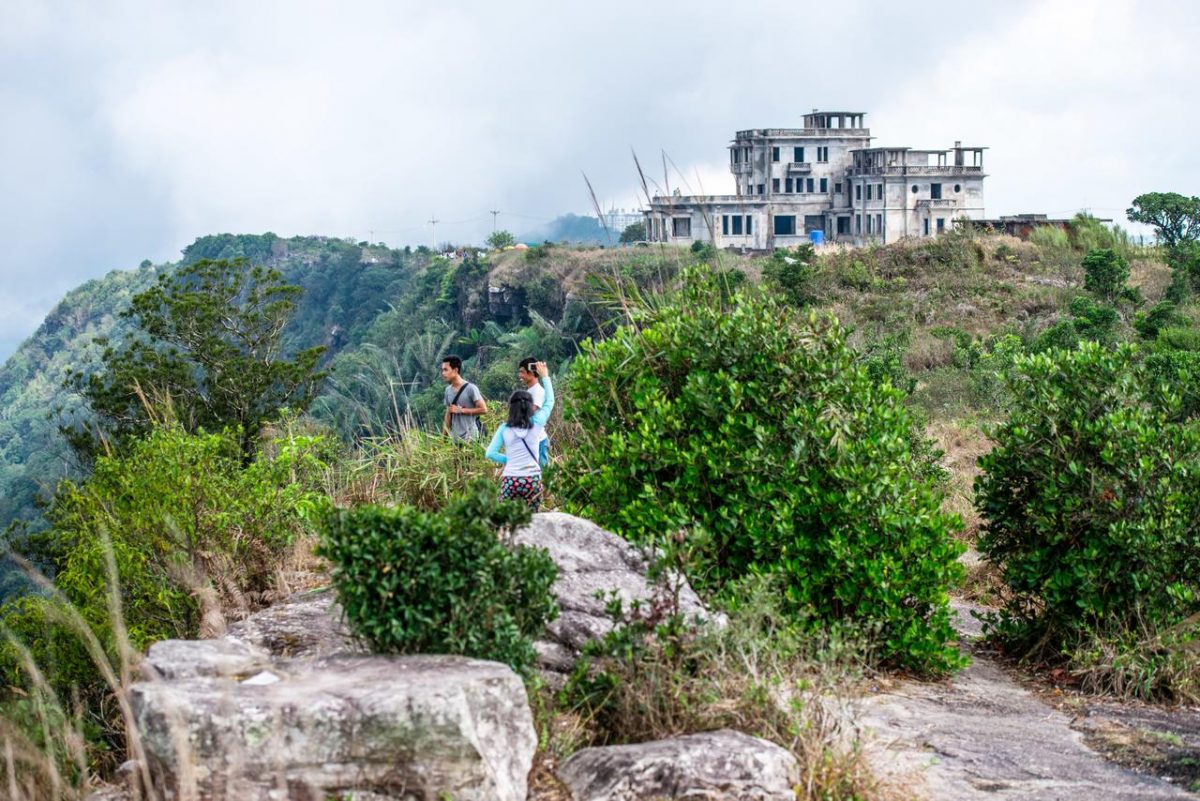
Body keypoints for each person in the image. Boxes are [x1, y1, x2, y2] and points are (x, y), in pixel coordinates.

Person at [486, 361, 553, 510]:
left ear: (511, 407)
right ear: (531, 407)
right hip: (533, 480)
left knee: (507, 520)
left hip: (511, 479)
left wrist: (510, 459)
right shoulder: (537, 424)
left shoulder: (504, 429)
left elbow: (490, 453)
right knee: (533, 519)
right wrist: (546, 377)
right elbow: (550, 402)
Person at [441, 355, 488, 442]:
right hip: (455, 439)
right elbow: (448, 414)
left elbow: (483, 409)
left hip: (471, 438)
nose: (443, 373)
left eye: (446, 370)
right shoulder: (448, 390)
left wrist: (461, 410)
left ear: (455, 370)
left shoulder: (471, 388)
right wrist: (444, 437)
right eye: (442, 370)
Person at [517, 356, 550, 465]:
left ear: (531, 373)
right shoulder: (530, 391)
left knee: (542, 474)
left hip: (539, 441)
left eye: (522, 372)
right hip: (532, 441)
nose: (520, 375)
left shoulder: (537, 391)